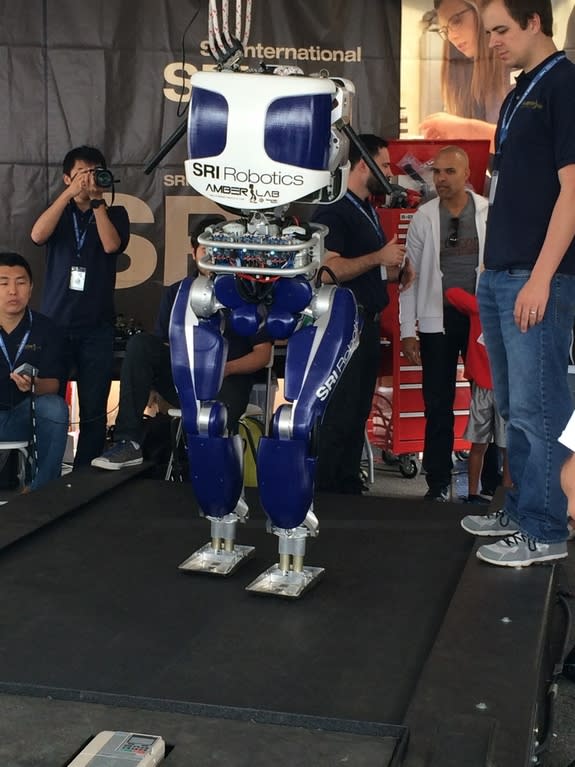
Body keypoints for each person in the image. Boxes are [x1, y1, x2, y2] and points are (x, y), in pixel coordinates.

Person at [461, 0, 575, 566]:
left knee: (541, 406)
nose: (493, 43)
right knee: (511, 405)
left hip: (537, 276)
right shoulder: (515, 93)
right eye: (489, 32)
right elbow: (504, 190)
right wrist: (486, 266)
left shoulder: (565, 86)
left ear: (535, 21)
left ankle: (547, 529)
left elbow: (573, 191)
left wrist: (543, 278)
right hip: (500, 272)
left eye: (501, 30)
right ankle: (522, 509)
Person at [91, 216, 272, 470]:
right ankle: (128, 443)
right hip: (185, 380)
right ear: (193, 251)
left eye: (219, 251)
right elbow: (162, 346)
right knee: (141, 344)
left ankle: (214, 482)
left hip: (227, 382)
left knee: (211, 437)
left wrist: (224, 368)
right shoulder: (178, 292)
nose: (211, 256)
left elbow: (263, 354)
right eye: (206, 249)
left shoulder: (248, 293)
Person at [311, 134, 411, 495]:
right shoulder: (334, 210)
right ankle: (326, 489)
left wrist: (392, 272)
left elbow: (366, 266)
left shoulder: (367, 208)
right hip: (341, 327)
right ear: (361, 165)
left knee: (356, 412)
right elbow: (326, 271)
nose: (388, 173)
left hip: (366, 322)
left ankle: (348, 481)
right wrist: (377, 259)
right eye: (383, 165)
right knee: (340, 411)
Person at [30, 145, 130, 468]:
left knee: (93, 406)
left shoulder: (115, 213)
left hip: (96, 327)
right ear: (67, 178)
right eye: (81, 175)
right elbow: (36, 235)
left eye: (94, 173)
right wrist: (67, 196)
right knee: (50, 403)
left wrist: (97, 199)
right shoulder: (60, 213)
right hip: (54, 324)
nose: (88, 181)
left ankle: (86, 476)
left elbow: (111, 244)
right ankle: (47, 470)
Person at [400, 145, 488, 501]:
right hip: (438, 319)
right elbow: (409, 279)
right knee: (437, 401)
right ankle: (438, 481)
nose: (442, 179)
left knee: (489, 398)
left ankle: (489, 481)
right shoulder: (424, 217)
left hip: (481, 319)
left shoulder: (487, 211)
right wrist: (408, 331)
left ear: (467, 174)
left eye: (450, 172)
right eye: (437, 172)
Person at [0, 252, 69, 491]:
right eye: (3, 283)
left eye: (20, 283)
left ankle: (42, 491)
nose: (12, 291)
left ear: (31, 288)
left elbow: (54, 385)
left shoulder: (46, 328)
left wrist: (34, 385)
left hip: (24, 415)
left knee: (55, 407)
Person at [444, 286, 511, 502]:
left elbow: (451, 292)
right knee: (493, 447)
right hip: (495, 388)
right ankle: (478, 494)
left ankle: (501, 495)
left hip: (501, 389)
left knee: (500, 447)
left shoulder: (484, 309)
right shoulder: (485, 309)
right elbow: (451, 293)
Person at [419, 0, 510, 151]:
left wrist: (465, 129)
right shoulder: (460, 76)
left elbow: (527, 142)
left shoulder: (515, 67)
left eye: (456, 20)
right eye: (445, 30)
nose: (452, 36)